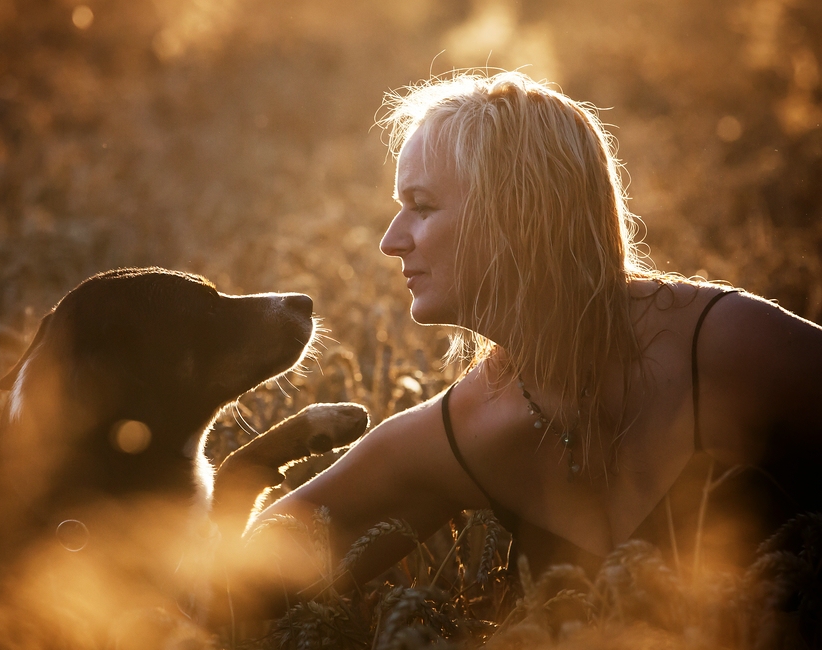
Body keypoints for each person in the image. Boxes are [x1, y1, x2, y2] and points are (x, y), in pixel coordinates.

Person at [253, 71, 822, 586]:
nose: (390, 240)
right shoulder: (463, 433)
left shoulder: (726, 345)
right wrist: (240, 471)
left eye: (421, 206)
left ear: (517, 213)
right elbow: (240, 580)